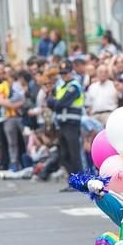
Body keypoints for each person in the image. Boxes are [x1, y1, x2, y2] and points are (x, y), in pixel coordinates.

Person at [47, 61, 84, 189]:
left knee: (74, 154)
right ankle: (72, 182)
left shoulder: (74, 86)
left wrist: (55, 102)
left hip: (72, 125)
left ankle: (79, 182)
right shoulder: (61, 87)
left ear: (71, 72)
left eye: (66, 73)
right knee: (64, 155)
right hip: (62, 126)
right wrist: (55, 102)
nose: (64, 76)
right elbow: (50, 102)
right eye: (62, 73)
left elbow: (60, 103)